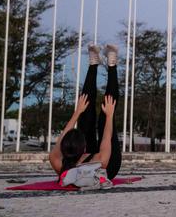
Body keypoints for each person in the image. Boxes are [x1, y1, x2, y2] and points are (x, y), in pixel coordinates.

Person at [49, 44, 122, 181]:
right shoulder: (100, 161)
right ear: (83, 147)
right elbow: (106, 137)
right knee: (103, 121)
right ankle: (112, 63)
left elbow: (63, 137)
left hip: (90, 159)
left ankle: (93, 63)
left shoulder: (58, 162)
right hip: (109, 165)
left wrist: (78, 112)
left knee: (86, 115)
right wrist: (110, 115)